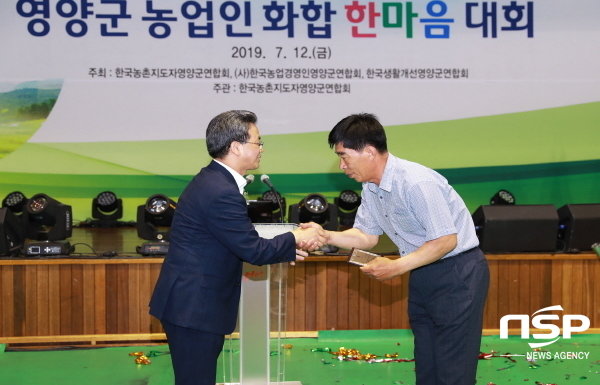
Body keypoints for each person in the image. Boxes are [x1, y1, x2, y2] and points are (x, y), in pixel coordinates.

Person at [301, 113, 490, 385]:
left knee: (453, 370)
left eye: (344, 156)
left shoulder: (415, 182)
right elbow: (366, 237)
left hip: (457, 274)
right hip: (422, 272)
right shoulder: (371, 186)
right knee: (427, 366)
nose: (342, 165)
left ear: (369, 151)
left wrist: (396, 266)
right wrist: (324, 234)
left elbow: (446, 240)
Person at [149, 110, 326, 385]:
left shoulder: (214, 181)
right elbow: (252, 250)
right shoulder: (221, 191)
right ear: (236, 147)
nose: (261, 149)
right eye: (258, 142)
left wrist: (289, 245)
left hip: (191, 304)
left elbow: (237, 239)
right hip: (193, 308)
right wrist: (295, 237)